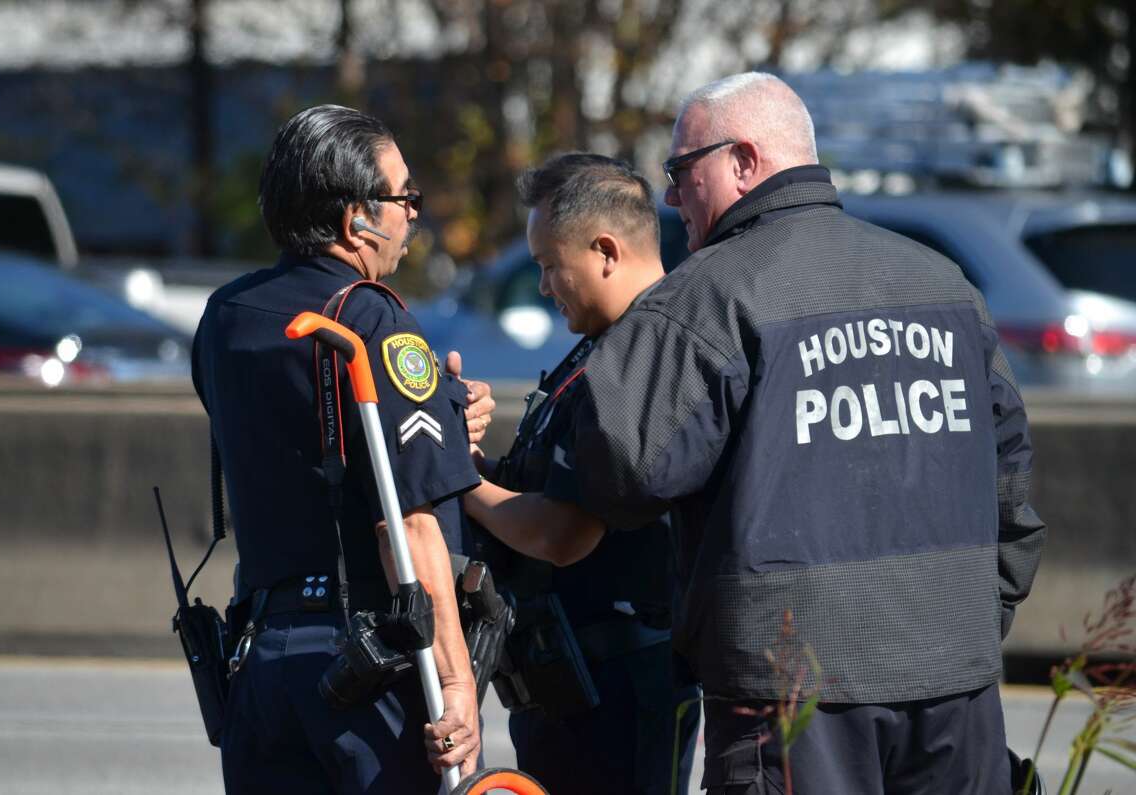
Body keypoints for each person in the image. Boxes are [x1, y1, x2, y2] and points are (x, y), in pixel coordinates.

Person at [566, 73, 1048, 793]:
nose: (671, 196)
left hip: (791, 692)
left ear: (744, 161)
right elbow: (1011, 476)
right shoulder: (945, 284)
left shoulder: (711, 293)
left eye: (680, 171)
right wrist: (972, 616)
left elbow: (622, 468)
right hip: (956, 683)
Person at [192, 105, 495, 793]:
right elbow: (409, 520)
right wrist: (454, 681)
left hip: (260, 659)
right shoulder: (371, 315)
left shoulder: (225, 317)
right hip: (362, 663)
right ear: (355, 217)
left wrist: (438, 411)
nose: (414, 214)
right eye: (403, 197)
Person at [461, 153, 700, 795]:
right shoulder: (606, 342)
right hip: (575, 686)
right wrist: (480, 470)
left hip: (617, 689)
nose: (543, 286)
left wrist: (455, 481)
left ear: (604, 251)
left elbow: (563, 533)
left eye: (548, 265)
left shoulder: (646, 356)